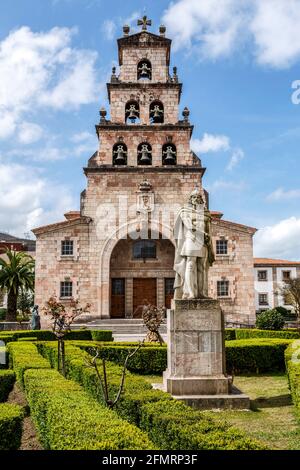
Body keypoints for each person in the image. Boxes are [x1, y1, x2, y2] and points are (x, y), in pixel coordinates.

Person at [173, 188, 215, 299]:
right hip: (191, 240)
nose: (196, 199)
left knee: (202, 267)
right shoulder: (184, 211)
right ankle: (190, 292)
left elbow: (209, 229)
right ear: (190, 199)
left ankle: (201, 293)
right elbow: (190, 226)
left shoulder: (205, 213)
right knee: (190, 265)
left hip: (203, 242)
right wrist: (203, 233)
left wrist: (208, 238)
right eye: (194, 197)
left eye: (198, 197)